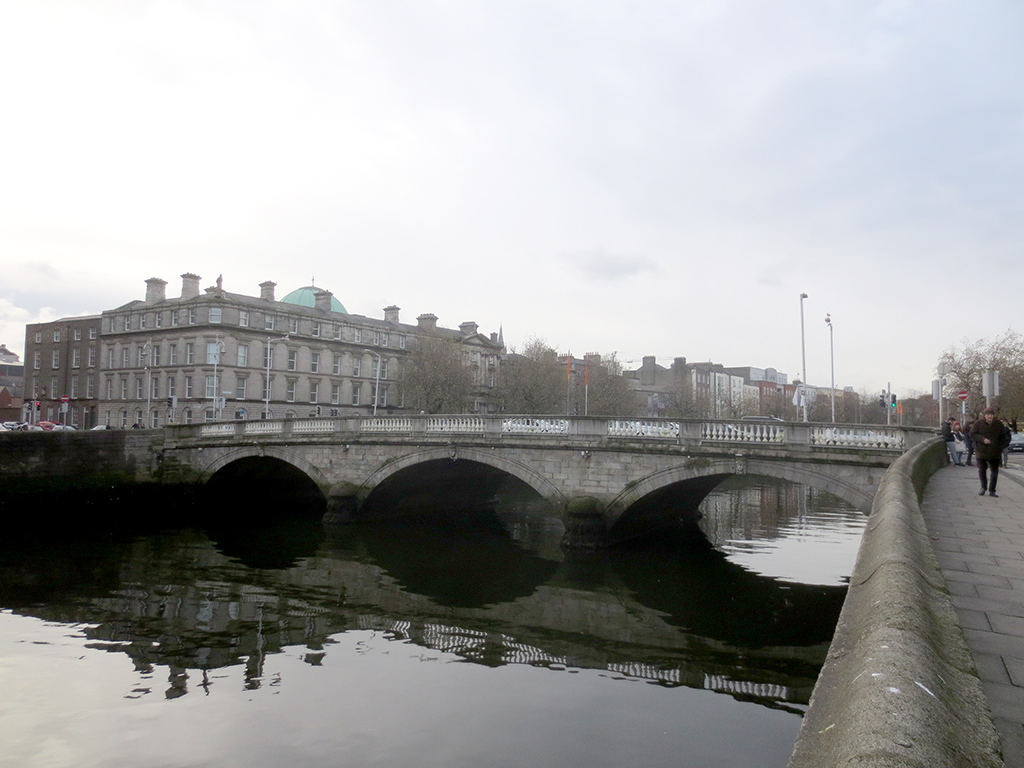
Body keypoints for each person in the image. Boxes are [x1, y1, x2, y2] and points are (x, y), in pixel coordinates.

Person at [970, 408, 1008, 497]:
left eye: (991, 414)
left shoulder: (998, 424)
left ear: (993, 415)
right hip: (982, 451)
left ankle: (992, 490)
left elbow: (1004, 436)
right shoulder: (978, 423)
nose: (989, 416)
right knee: (982, 470)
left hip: (995, 452)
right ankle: (983, 488)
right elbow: (972, 434)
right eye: (987, 414)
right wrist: (983, 439)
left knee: (994, 471)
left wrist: (1000, 446)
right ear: (984, 415)